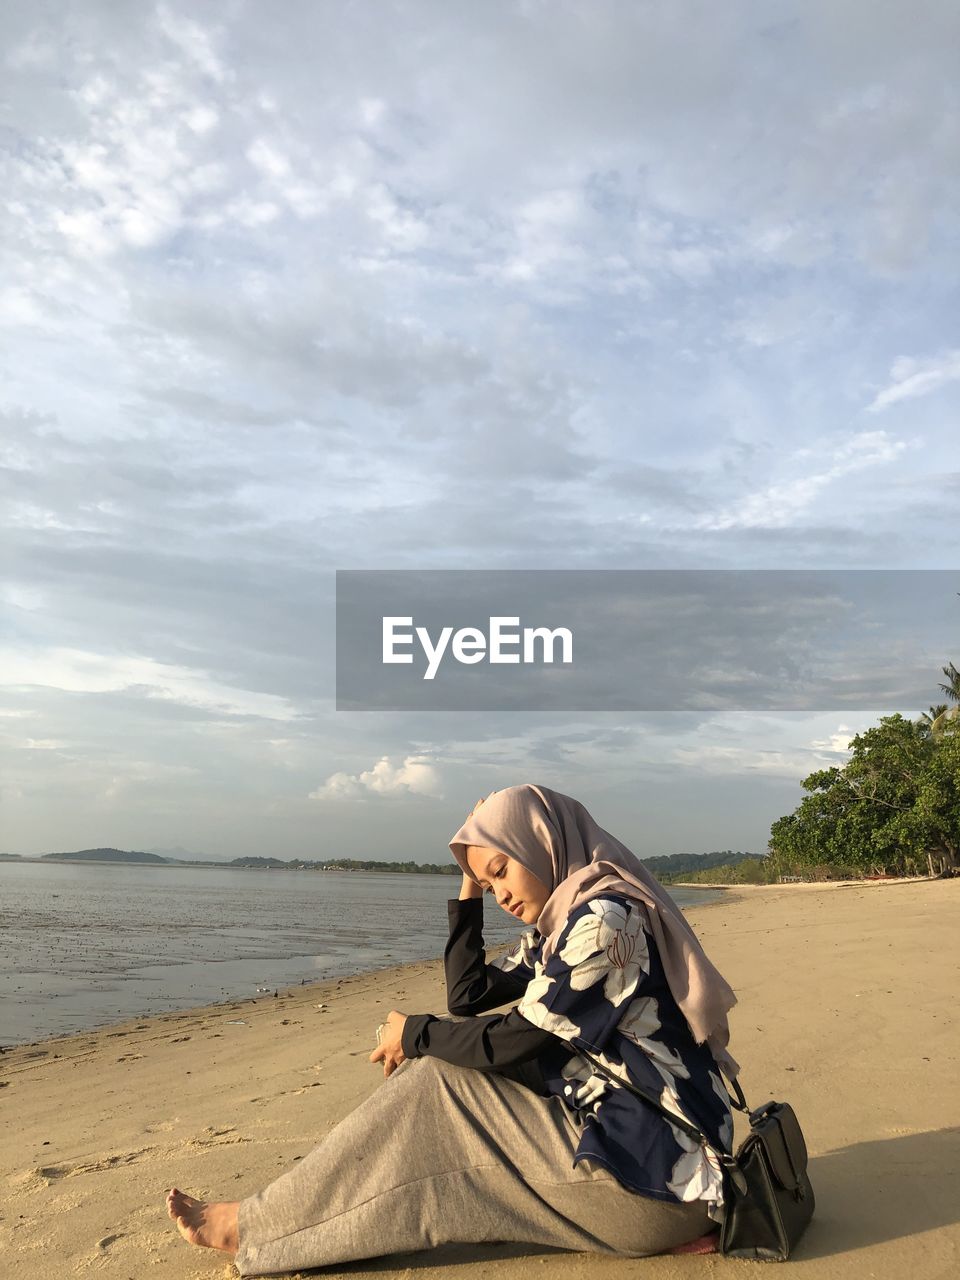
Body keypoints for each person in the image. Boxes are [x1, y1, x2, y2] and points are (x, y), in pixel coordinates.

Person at [165, 783, 739, 1274]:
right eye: (491, 886)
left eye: (502, 870)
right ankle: (296, 1221)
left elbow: (516, 1039)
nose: (504, 894)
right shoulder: (562, 925)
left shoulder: (604, 923)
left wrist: (413, 1032)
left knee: (437, 1081)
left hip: (653, 1188)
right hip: (646, 1166)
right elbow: (468, 996)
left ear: (542, 843)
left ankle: (254, 1225)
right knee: (440, 1071)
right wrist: (469, 877)